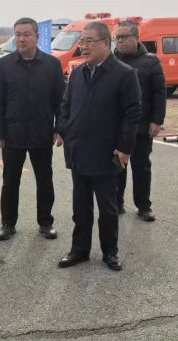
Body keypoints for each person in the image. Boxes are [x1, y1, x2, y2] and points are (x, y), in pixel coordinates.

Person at [57, 21, 141, 271]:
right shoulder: (78, 74)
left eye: (89, 42)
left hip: (107, 153)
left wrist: (124, 148)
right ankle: (79, 250)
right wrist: (65, 130)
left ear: (106, 43)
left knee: (108, 208)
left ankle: (110, 252)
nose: (83, 47)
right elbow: (65, 105)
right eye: (82, 42)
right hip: (79, 151)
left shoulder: (124, 74)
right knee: (80, 207)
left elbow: (132, 114)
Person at [0, 18, 66, 240]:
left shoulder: (52, 65)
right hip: (12, 134)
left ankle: (45, 222)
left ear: (37, 37)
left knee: (45, 180)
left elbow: (61, 101)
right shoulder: (4, 65)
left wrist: (59, 128)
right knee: (10, 181)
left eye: (26, 34)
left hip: (42, 132)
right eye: (17, 34)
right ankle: (8, 223)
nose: (21, 39)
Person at [113, 20, 167, 221]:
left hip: (142, 126)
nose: (120, 41)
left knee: (141, 166)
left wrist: (156, 120)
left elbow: (159, 93)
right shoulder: (111, 61)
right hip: (117, 127)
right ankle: (116, 203)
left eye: (124, 37)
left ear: (136, 38)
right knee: (117, 166)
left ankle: (143, 206)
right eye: (117, 38)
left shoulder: (150, 62)